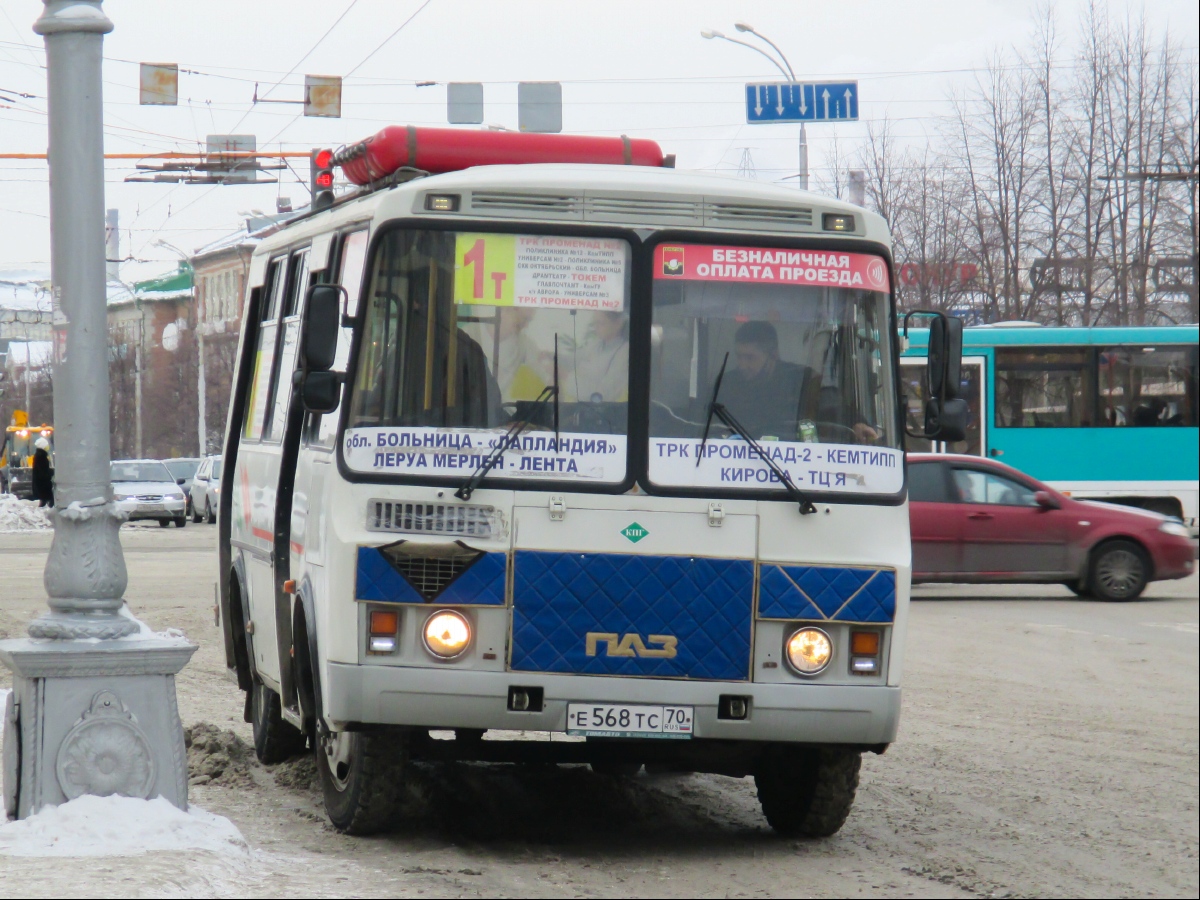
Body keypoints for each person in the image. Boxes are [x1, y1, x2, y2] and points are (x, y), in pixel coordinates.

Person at [718, 321, 879, 444]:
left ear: (773, 355)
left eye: (750, 358)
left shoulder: (802, 380)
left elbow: (834, 406)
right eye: (739, 356)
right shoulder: (726, 385)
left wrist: (857, 423)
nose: (742, 365)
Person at [566, 310, 629, 403]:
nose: (596, 328)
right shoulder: (597, 344)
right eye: (595, 323)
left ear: (618, 324)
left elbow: (605, 393)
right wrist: (552, 357)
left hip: (605, 412)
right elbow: (574, 359)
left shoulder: (625, 351)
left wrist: (566, 377)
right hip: (579, 405)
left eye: (601, 323)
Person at [31, 437, 54, 508]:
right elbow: (43, 471)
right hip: (43, 483)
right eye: (46, 446)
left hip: (40, 483)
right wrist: (51, 473)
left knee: (44, 501)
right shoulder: (41, 456)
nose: (48, 447)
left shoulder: (39, 455)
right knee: (49, 499)